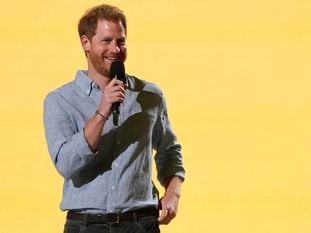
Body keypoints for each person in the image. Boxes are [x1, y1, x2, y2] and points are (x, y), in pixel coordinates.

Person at [43, 4, 185, 233]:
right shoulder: (60, 100)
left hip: (141, 224)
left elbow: (169, 149)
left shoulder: (149, 95)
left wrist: (173, 193)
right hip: (86, 226)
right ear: (85, 43)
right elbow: (66, 164)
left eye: (121, 41)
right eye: (106, 41)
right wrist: (103, 111)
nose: (115, 49)